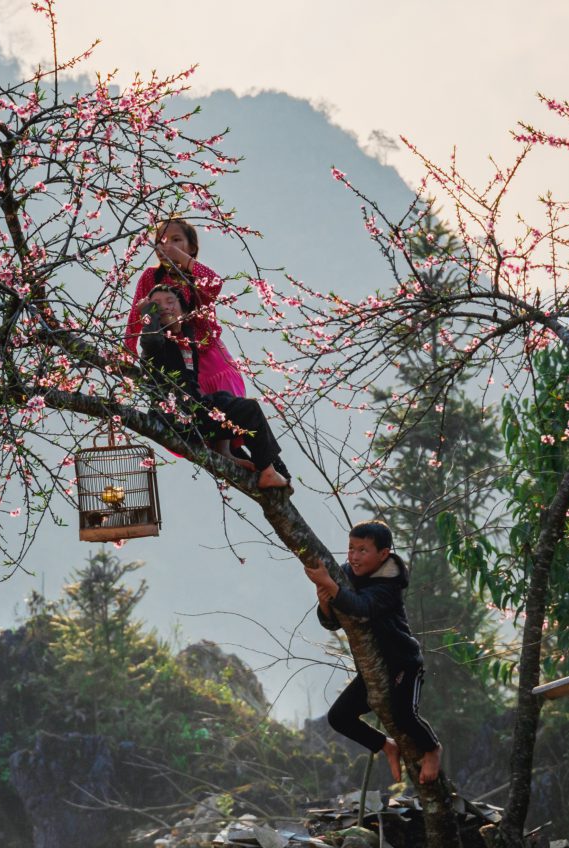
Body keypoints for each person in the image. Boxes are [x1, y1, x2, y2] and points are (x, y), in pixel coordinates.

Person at [306, 520, 442, 786]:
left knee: (404, 715)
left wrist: (332, 588)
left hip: (403, 663)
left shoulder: (389, 582)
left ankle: (433, 749)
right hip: (371, 668)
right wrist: (325, 602)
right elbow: (333, 622)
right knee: (339, 717)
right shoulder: (346, 574)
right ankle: (385, 746)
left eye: (363, 550)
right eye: (351, 548)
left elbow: (361, 608)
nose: (354, 556)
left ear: (383, 554)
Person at [136, 285, 292, 492]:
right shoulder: (156, 343)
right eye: (156, 305)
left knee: (224, 399)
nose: (164, 307)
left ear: (182, 308)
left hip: (194, 409)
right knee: (249, 410)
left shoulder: (187, 338)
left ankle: (231, 456)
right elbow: (150, 340)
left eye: (170, 301)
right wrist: (148, 315)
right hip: (177, 417)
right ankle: (269, 472)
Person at [124, 216, 249, 397]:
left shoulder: (195, 278)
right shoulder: (151, 277)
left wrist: (182, 258)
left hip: (206, 353)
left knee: (227, 407)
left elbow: (214, 283)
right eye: (161, 241)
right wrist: (127, 354)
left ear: (191, 248)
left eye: (176, 240)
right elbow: (135, 318)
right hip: (171, 355)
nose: (167, 246)